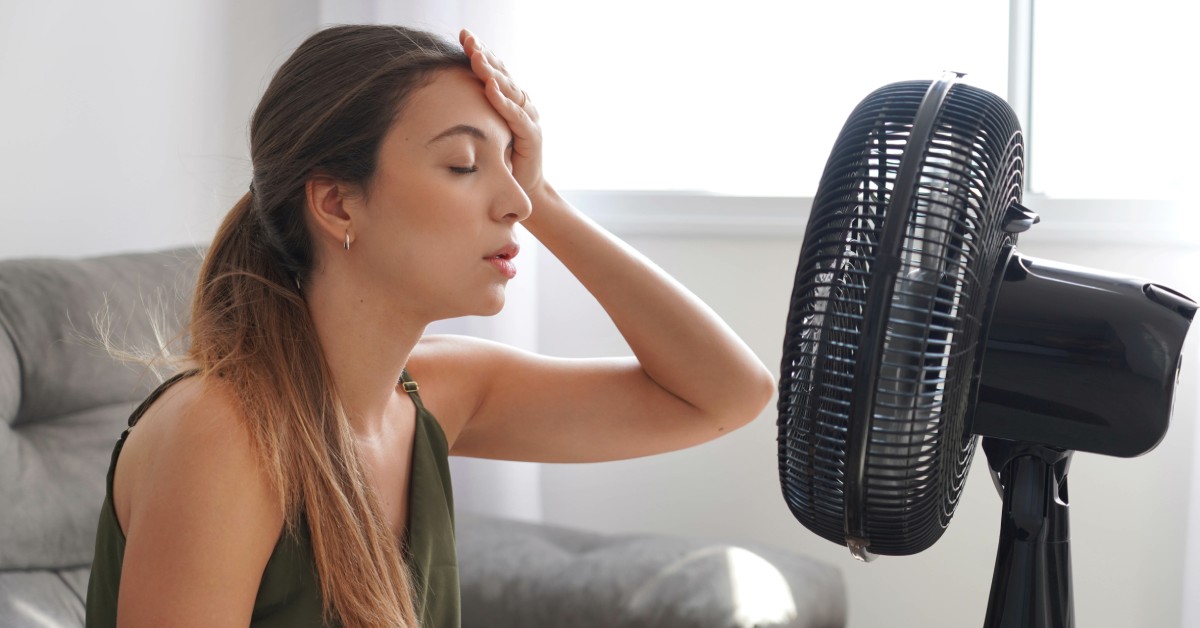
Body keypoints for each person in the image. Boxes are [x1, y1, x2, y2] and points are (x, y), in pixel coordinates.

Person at [85, 24, 775, 628]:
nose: (513, 204)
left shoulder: (437, 395)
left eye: (514, 167)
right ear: (336, 203)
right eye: (464, 165)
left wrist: (548, 201)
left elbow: (726, 395)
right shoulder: (226, 434)